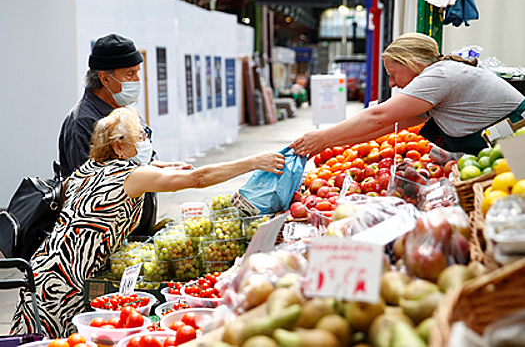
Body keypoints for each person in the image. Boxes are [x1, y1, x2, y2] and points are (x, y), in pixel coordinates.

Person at [11, 107, 285, 338]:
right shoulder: (128, 175)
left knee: (32, 335)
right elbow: (198, 179)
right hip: (68, 278)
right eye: (140, 138)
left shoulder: (86, 170)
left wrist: (164, 167)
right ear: (119, 147)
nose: (146, 143)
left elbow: (136, 173)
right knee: (58, 339)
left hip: (43, 268)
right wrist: (253, 161)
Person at [291, 33, 525, 157]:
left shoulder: (439, 76)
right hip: (507, 150)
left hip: (518, 147)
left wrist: (322, 137)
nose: (392, 83)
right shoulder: (440, 77)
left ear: (412, 63)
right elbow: (387, 127)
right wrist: (327, 144)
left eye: (393, 74)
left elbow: (378, 116)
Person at [58, 33, 188, 236]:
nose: (137, 80)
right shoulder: (83, 122)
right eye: (130, 74)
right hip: (105, 239)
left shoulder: (124, 112)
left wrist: (165, 167)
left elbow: (139, 160)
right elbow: (90, 188)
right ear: (104, 78)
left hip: (134, 233)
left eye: (138, 72)